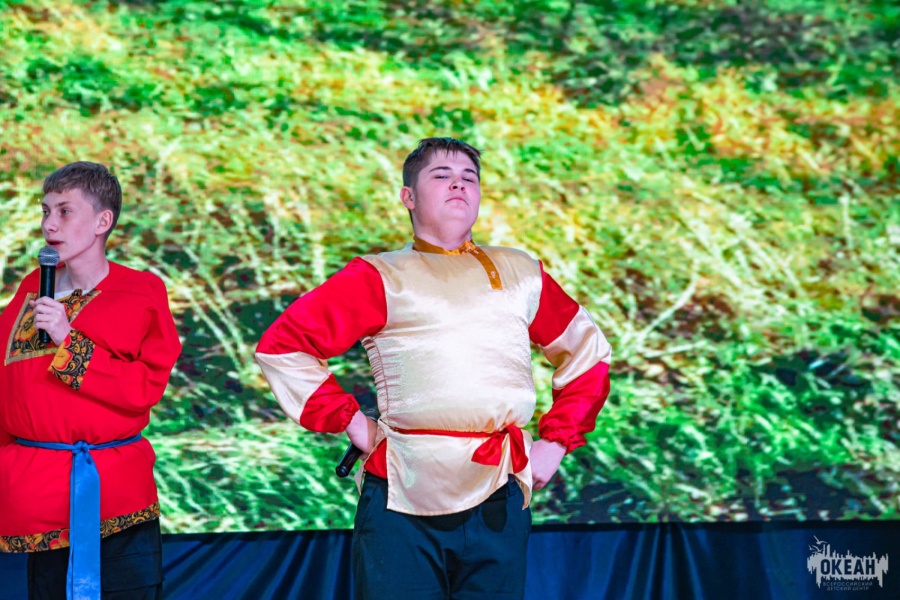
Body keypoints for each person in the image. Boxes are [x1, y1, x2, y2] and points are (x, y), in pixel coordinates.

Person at [256, 138, 612, 599]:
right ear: (408, 196)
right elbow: (284, 347)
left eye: (469, 178)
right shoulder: (381, 275)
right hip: (403, 488)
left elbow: (587, 353)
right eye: (442, 176)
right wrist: (353, 423)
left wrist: (557, 441)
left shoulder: (521, 272)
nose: (458, 184)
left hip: (499, 488)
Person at [0, 162, 182, 599]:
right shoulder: (32, 288)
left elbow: (144, 388)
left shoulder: (140, 291)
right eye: (45, 211)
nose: (49, 224)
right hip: (38, 496)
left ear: (103, 221)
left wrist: (68, 339)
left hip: (114, 493)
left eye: (65, 211)